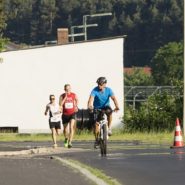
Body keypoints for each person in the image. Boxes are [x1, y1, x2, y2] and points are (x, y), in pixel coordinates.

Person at [87, 77, 119, 148]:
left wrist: (117, 106)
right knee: (96, 124)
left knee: (110, 112)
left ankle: (109, 128)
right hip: (97, 108)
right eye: (98, 84)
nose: (99, 86)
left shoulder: (109, 90)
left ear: (105, 84)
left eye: (101, 84)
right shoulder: (94, 90)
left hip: (106, 106)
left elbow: (114, 99)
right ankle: (96, 139)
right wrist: (90, 106)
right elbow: (90, 99)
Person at [59, 84, 78, 148]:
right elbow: (60, 104)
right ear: (64, 90)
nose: (68, 90)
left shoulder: (74, 95)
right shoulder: (62, 96)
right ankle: (66, 139)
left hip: (72, 113)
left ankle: (70, 142)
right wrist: (65, 97)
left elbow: (77, 100)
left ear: (70, 89)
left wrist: (76, 106)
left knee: (71, 127)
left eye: (69, 89)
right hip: (65, 114)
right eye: (66, 89)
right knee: (65, 129)